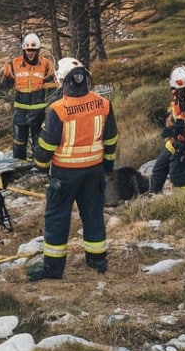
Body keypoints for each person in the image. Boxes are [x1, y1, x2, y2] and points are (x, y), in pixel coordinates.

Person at [28, 57, 118, 281]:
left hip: (65, 174)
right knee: (93, 216)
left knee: (57, 219)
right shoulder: (103, 104)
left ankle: (53, 269)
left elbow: (48, 145)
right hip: (94, 171)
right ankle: (97, 263)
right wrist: (107, 166)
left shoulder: (58, 109)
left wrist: (39, 165)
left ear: (61, 80)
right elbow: (111, 139)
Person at [149, 65, 185, 193]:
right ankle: (153, 194)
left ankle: (183, 201)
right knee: (158, 170)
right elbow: (174, 116)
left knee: (179, 177)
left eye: (178, 89)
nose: (174, 92)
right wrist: (166, 124)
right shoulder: (178, 98)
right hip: (173, 142)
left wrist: (183, 145)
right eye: (174, 89)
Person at [0, 32, 56, 162]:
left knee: (39, 140)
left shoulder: (46, 64)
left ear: (38, 50)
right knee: (19, 141)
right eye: (28, 50)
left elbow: (52, 85)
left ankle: (39, 165)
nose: (31, 53)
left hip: (39, 111)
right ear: (24, 49)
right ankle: (19, 165)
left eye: (34, 50)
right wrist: (5, 91)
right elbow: (3, 85)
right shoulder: (13, 64)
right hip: (20, 110)